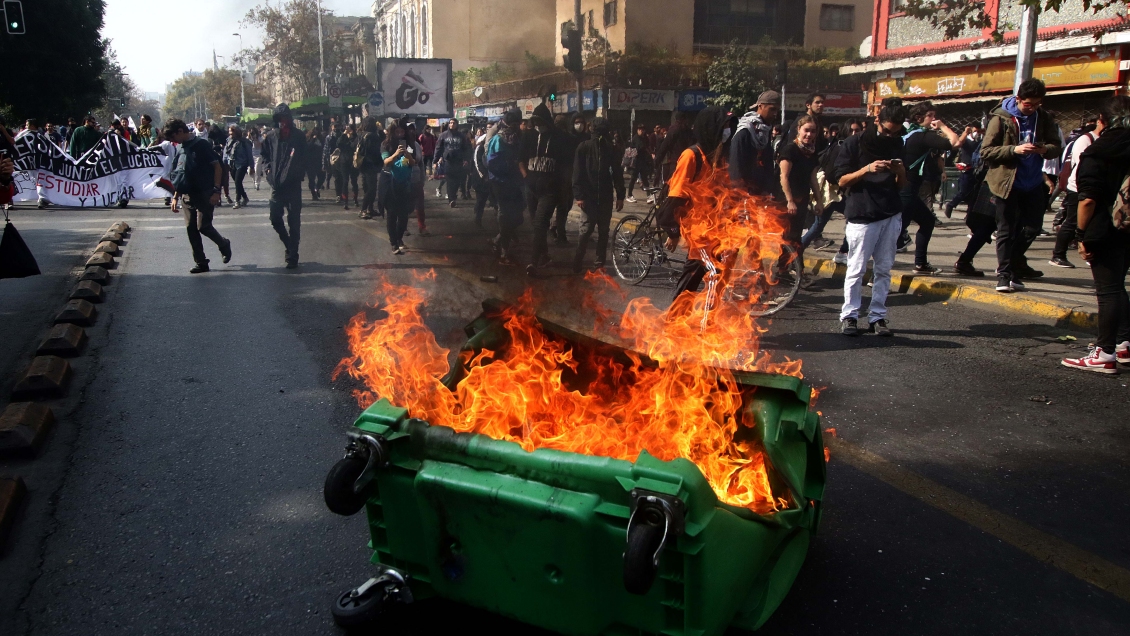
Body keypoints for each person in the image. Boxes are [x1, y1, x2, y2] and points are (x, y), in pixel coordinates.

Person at [1061, 96, 1130, 374]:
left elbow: (1087, 200)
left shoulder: (1098, 152)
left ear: (1102, 121)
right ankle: (1124, 344)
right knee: (1119, 286)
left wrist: (1080, 234)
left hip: (1103, 228)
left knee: (1108, 290)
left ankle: (1104, 352)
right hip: (1127, 226)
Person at [834, 98, 909, 337]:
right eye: (887, 130)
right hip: (862, 213)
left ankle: (878, 316)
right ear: (877, 120)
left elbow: (902, 186)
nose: (890, 135)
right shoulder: (855, 143)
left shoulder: (897, 143)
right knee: (856, 268)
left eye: (896, 132)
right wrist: (866, 169)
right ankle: (850, 315)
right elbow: (842, 180)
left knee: (884, 269)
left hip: (890, 212)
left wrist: (900, 172)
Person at [980, 78, 1062, 292]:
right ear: (1018, 99)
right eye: (1028, 104)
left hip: (1033, 181)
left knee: (1033, 227)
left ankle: (1014, 263)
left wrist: (1043, 150)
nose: (1032, 108)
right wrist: (1013, 150)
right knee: (1005, 229)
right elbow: (986, 151)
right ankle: (1004, 274)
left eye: (1037, 104)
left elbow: (1056, 146)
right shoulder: (1001, 118)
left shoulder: (1042, 118)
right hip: (1007, 182)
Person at [657, 106, 736, 308]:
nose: (727, 130)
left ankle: (701, 322)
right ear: (711, 128)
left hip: (714, 228)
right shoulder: (691, 156)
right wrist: (673, 231)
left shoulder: (718, 156)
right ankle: (676, 321)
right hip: (697, 231)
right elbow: (676, 198)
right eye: (723, 126)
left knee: (711, 275)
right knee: (704, 271)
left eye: (728, 126)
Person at [165, 119, 232, 274]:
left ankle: (223, 244)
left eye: (173, 137)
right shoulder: (181, 147)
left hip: (204, 193)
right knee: (191, 228)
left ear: (180, 131)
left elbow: (217, 167)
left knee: (203, 226)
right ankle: (201, 262)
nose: (173, 141)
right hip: (187, 194)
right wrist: (175, 196)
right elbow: (180, 173)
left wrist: (216, 191)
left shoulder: (202, 145)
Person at [899, 101, 959, 274]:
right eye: (931, 116)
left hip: (907, 188)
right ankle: (876, 274)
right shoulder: (922, 136)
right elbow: (953, 142)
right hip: (908, 189)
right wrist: (942, 126)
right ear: (919, 118)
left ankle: (921, 263)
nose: (934, 119)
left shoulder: (908, 134)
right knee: (895, 233)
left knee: (927, 221)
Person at [572, 117, 626, 273]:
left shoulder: (611, 149)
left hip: (605, 196)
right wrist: (579, 195)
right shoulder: (584, 147)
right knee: (586, 230)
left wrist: (620, 195)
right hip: (588, 197)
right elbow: (577, 173)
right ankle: (578, 261)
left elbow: (617, 173)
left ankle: (599, 264)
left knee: (602, 231)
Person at [523, 103, 570, 276]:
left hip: (550, 191)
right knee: (537, 226)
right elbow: (519, 160)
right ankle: (544, 256)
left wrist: (563, 191)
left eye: (540, 121)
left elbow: (566, 167)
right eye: (534, 122)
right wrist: (526, 177)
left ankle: (533, 262)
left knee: (540, 224)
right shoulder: (528, 137)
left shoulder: (560, 138)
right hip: (531, 189)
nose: (537, 125)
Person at [260, 103, 307, 269]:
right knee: (275, 218)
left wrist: (299, 172)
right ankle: (288, 244)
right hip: (277, 185)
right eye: (280, 119)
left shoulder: (299, 136)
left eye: (285, 118)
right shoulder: (271, 137)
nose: (283, 122)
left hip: (293, 185)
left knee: (294, 222)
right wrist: (267, 170)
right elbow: (264, 156)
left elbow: (305, 156)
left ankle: (293, 254)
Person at [1049, 117, 1100, 269]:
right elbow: (1080, 165)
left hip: (1091, 188)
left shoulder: (1103, 139)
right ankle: (1058, 255)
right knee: (1072, 222)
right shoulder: (1086, 139)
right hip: (1078, 188)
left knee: (1089, 222)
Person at [485, 109, 525, 264]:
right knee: (505, 215)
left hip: (514, 182)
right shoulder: (498, 139)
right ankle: (504, 250)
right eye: (513, 124)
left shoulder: (519, 139)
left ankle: (498, 239)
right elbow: (491, 163)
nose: (515, 127)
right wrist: (511, 165)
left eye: (518, 124)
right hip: (500, 182)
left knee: (519, 215)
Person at [778, 115, 820, 257]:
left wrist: (819, 201)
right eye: (806, 130)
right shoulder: (790, 150)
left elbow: (813, 179)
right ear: (799, 130)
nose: (809, 134)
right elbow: (783, 177)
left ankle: (793, 271)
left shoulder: (812, 152)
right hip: (787, 200)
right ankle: (783, 272)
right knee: (787, 238)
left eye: (813, 131)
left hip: (802, 199)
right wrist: (790, 201)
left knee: (796, 239)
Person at [730, 91, 780, 197]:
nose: (775, 114)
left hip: (760, 194)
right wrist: (740, 192)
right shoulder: (744, 131)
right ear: (761, 106)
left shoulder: (765, 131)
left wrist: (767, 189)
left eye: (777, 110)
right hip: (744, 194)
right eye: (772, 109)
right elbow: (736, 165)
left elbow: (768, 163)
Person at [381, 122, 417, 254]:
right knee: (392, 214)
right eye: (397, 132)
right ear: (392, 132)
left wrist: (408, 155)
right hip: (390, 183)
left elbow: (413, 163)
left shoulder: (410, 144)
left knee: (403, 215)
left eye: (402, 132)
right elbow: (386, 162)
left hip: (405, 184)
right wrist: (396, 153)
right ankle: (393, 243)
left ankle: (399, 238)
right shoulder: (386, 144)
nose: (400, 135)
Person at [943, 123, 983, 218]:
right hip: (966, 169)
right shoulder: (966, 141)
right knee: (964, 191)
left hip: (976, 169)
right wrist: (966, 132)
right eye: (975, 131)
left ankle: (970, 214)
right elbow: (959, 142)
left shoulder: (979, 141)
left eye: (978, 131)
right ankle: (951, 205)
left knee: (974, 194)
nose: (976, 133)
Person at [655, 111, 695, 185]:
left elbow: (665, 146)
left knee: (673, 183)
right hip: (687, 161)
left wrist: (657, 161)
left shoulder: (673, 130)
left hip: (675, 161)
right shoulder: (689, 131)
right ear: (684, 119)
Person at [403, 122, 429, 236]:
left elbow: (421, 164)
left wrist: (422, 180)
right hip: (404, 180)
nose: (412, 132)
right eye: (409, 129)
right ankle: (403, 227)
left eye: (413, 129)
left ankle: (422, 227)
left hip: (417, 180)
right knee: (405, 206)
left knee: (420, 205)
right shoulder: (402, 146)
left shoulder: (417, 145)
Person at [436, 118, 468, 208]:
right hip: (448, 161)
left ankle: (454, 196)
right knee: (449, 181)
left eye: (454, 123)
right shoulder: (443, 135)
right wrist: (436, 160)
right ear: (449, 124)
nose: (452, 124)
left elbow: (465, 148)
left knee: (457, 181)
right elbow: (439, 148)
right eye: (450, 123)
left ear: (457, 124)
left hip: (458, 161)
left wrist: (466, 159)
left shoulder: (461, 136)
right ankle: (451, 199)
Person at [357, 117, 384, 219]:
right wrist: (381, 130)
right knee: (372, 189)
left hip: (363, 164)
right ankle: (363, 209)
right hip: (371, 165)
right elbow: (381, 144)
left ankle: (370, 208)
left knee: (367, 188)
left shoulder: (361, 134)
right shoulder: (373, 136)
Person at [625, 123, 653, 203]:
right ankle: (629, 195)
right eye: (640, 129)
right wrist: (647, 151)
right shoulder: (636, 138)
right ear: (637, 130)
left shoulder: (645, 138)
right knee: (633, 179)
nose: (641, 131)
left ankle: (649, 195)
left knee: (644, 179)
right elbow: (640, 148)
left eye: (643, 129)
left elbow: (648, 146)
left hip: (642, 161)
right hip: (635, 162)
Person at [226, 125, 253, 209]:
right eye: (229, 131)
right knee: (238, 183)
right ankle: (245, 197)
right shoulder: (229, 140)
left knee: (238, 181)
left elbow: (249, 154)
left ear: (236, 132)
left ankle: (237, 201)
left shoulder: (244, 142)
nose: (230, 133)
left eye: (231, 131)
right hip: (232, 164)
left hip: (241, 164)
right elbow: (226, 152)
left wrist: (251, 166)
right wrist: (225, 162)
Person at [337, 124, 360, 211]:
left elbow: (354, 146)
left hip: (353, 161)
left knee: (354, 181)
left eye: (350, 129)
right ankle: (345, 201)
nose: (348, 130)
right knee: (345, 181)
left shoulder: (356, 137)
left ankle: (355, 199)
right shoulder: (343, 137)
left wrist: (351, 136)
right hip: (344, 162)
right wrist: (344, 134)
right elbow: (338, 144)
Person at [323, 120, 342, 202]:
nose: (336, 129)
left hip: (342, 159)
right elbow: (326, 150)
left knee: (342, 178)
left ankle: (342, 193)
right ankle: (338, 195)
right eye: (334, 127)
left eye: (337, 127)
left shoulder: (342, 135)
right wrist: (324, 163)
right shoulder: (329, 137)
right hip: (333, 159)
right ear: (331, 128)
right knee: (337, 177)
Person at [306, 129, 323, 200]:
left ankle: (317, 188)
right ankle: (314, 194)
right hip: (310, 163)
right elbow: (308, 148)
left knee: (322, 177)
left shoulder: (321, 141)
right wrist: (313, 140)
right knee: (311, 179)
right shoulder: (308, 141)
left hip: (320, 162)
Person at [248, 126, 264, 190]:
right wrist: (250, 138)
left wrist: (255, 139)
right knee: (249, 171)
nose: (252, 134)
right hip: (250, 156)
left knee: (257, 170)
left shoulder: (259, 138)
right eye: (251, 133)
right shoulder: (248, 138)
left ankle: (257, 183)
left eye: (253, 133)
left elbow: (260, 144)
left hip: (258, 156)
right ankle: (254, 180)